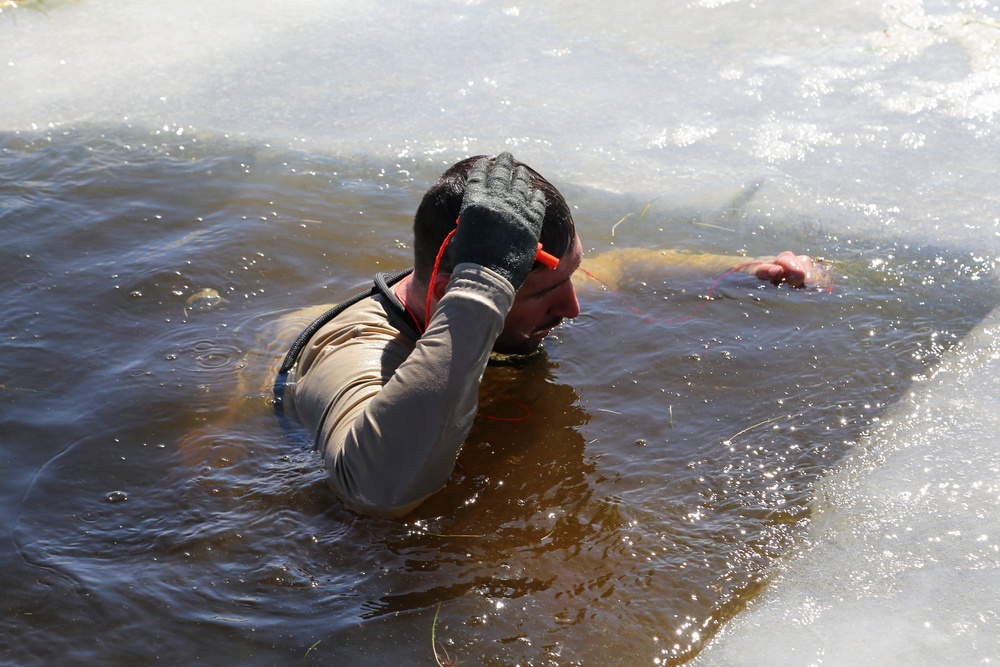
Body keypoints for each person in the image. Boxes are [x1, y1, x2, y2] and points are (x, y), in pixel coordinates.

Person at [274, 152, 829, 518]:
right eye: (543, 294)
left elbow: (630, 265)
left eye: (570, 277)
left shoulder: (530, 294)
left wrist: (748, 267)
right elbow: (378, 490)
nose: (573, 307)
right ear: (458, 289)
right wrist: (484, 290)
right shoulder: (355, 353)